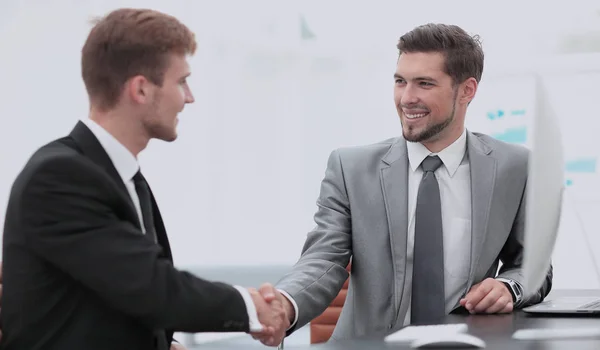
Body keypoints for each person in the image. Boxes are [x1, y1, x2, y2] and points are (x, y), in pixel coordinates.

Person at [0, 8, 287, 350]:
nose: (189, 97)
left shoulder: (115, 173)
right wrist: (251, 308)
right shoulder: (60, 177)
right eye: (181, 82)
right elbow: (151, 287)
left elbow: (115, 290)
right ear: (140, 90)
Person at [259, 23, 553, 344]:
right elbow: (323, 260)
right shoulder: (351, 168)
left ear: (467, 90)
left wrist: (509, 287)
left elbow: (533, 267)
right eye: (400, 82)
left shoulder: (515, 167)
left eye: (424, 84)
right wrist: (286, 303)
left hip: (468, 343)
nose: (407, 98)